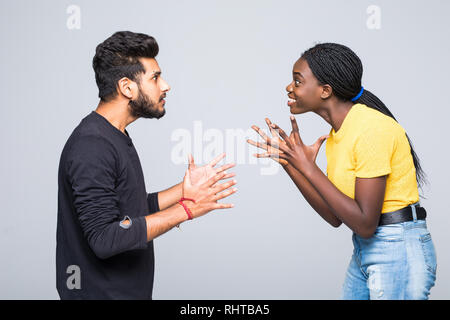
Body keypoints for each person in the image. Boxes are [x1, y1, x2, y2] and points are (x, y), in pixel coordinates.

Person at [247, 43, 437, 300]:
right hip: (367, 248)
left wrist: (309, 168)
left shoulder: (370, 128)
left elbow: (365, 223)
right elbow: (336, 216)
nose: (289, 87)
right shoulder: (338, 136)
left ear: (325, 90)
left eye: (297, 81)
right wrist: (292, 165)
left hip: (397, 249)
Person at [56, 31, 237, 299]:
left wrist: (182, 192)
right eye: (155, 77)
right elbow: (105, 238)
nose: (165, 86)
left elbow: (127, 214)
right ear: (127, 87)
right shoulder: (92, 145)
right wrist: (186, 210)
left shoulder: (113, 134)